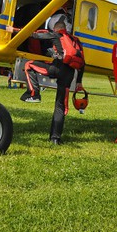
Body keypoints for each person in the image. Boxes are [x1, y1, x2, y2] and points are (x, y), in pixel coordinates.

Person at [20, 15, 84, 145]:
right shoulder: (76, 41)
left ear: (56, 29)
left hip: (56, 68)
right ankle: (55, 138)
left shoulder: (56, 35)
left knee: (29, 65)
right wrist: (79, 82)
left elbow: (35, 35)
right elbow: (82, 63)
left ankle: (34, 94)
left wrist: (13, 30)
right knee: (60, 106)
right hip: (69, 74)